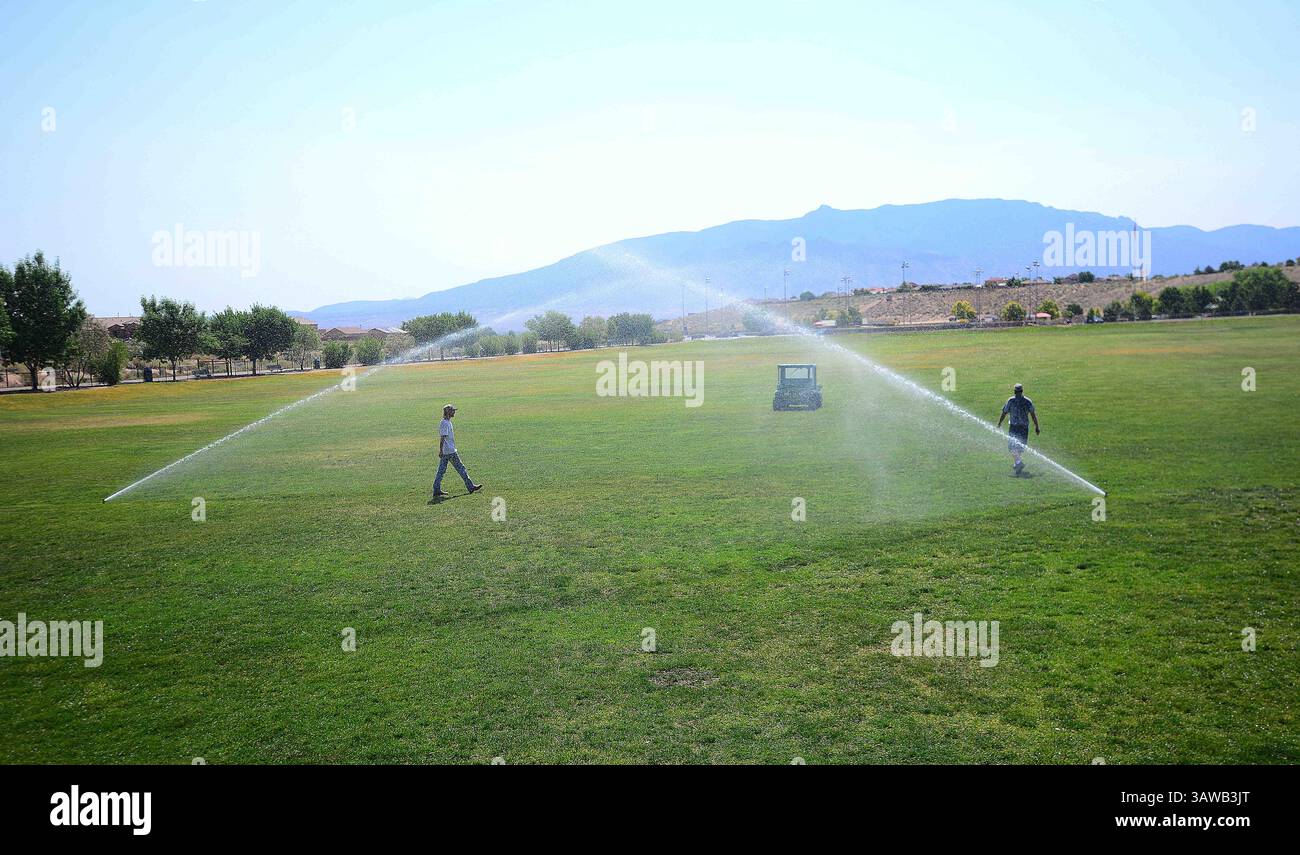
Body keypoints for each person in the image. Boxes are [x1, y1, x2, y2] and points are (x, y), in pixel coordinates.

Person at [433, 403, 482, 500]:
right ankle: (471, 487)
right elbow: (442, 438)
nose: (454, 412)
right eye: (453, 410)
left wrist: (442, 451)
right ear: (448, 412)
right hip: (450, 451)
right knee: (461, 468)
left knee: (441, 471)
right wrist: (441, 450)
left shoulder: (446, 422)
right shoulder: (445, 423)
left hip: (447, 451)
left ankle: (436, 489)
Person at [996, 383, 1039, 476]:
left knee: (1013, 447)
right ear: (1022, 391)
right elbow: (1033, 415)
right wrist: (1036, 426)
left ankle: (1018, 463)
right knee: (1018, 447)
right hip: (1023, 427)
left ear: (1015, 392)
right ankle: (1017, 463)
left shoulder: (1010, 401)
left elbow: (1004, 412)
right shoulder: (1027, 401)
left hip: (1014, 427)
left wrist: (999, 422)